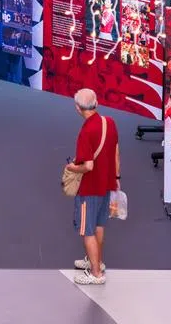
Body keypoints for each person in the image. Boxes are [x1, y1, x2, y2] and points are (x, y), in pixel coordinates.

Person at [65, 88, 120, 286]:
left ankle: (96, 273)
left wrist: (71, 167)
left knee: (87, 230)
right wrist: (116, 176)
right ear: (96, 103)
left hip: (90, 188)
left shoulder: (86, 132)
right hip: (107, 183)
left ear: (78, 108)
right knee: (99, 225)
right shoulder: (109, 123)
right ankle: (97, 261)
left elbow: (88, 166)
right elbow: (115, 150)